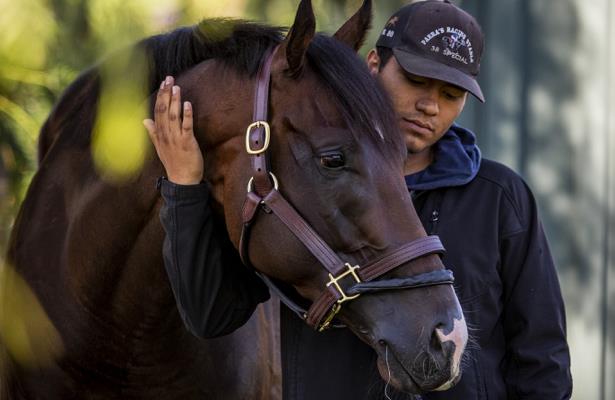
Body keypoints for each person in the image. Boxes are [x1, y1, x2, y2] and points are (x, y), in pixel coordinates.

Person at [144, 1, 572, 398]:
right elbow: (210, 316)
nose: (429, 106)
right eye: (416, 80)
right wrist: (185, 187)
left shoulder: (499, 196)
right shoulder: (303, 185)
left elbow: (541, 356)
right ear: (371, 65)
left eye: (450, 95)